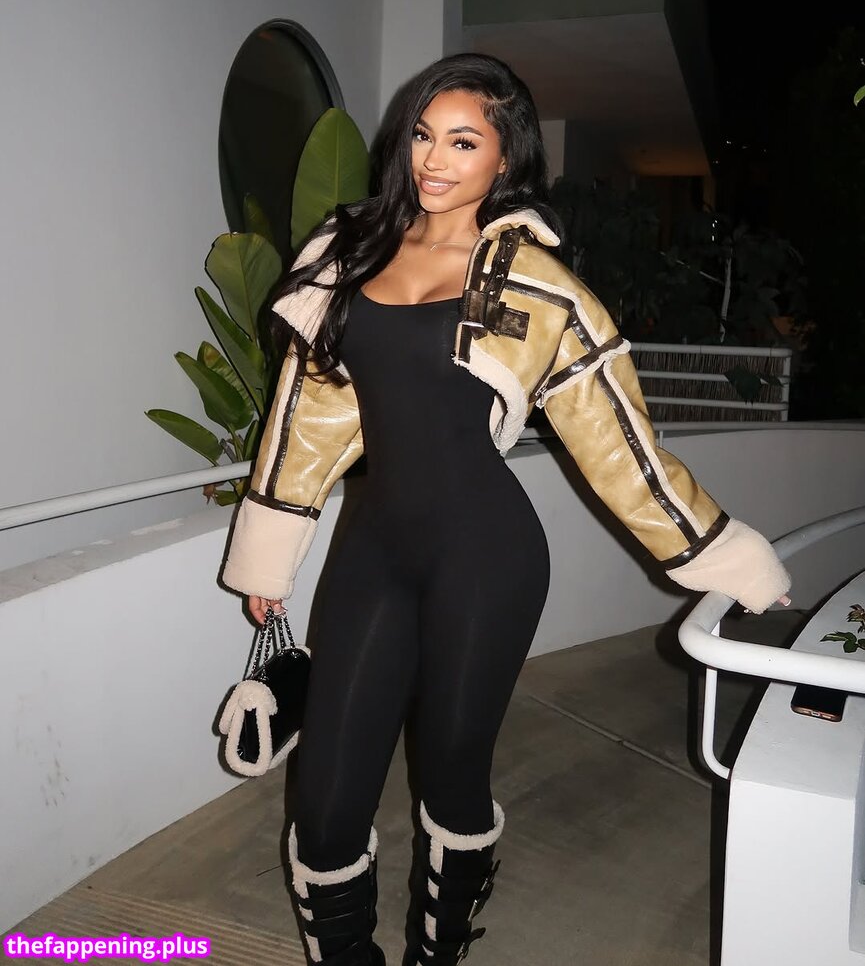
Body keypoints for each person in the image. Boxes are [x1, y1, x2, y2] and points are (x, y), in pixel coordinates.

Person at [219, 52, 792, 966]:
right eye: (422, 135)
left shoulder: (538, 286)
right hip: (372, 552)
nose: (432, 159)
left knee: (451, 777)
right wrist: (269, 554)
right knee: (324, 803)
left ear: (505, 157)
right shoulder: (347, 248)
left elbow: (620, 447)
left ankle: (438, 950)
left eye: (462, 141)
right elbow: (307, 413)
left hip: (486, 558)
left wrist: (731, 562)